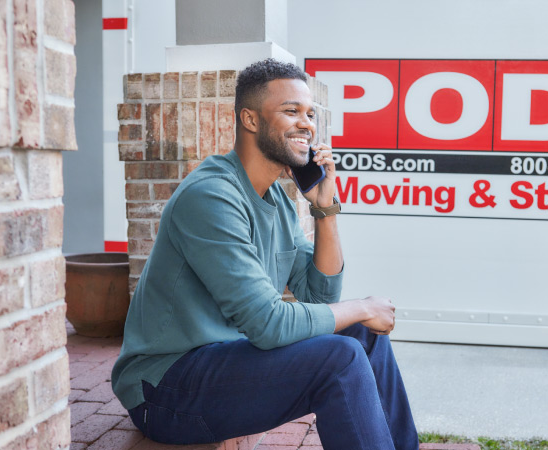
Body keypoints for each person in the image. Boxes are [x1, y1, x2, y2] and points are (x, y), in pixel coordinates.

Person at [111, 58, 419, 450]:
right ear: (250, 120)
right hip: (165, 388)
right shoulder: (211, 196)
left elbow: (318, 298)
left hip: (225, 363)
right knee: (340, 356)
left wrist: (324, 209)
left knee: (363, 336)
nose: (306, 123)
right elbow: (269, 324)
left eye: (309, 113)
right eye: (291, 111)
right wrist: (362, 305)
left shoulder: (276, 196)